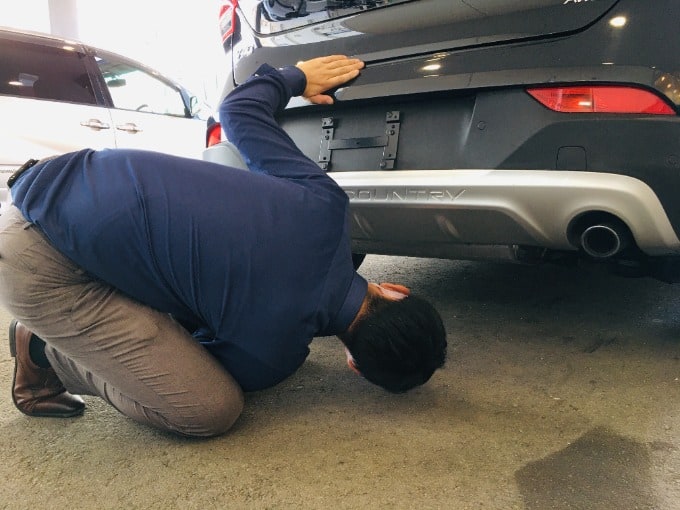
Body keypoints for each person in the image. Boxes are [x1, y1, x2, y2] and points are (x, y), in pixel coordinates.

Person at [0, 55, 447, 438]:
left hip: (60, 177)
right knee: (211, 407)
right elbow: (184, 349)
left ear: (395, 289)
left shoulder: (328, 206)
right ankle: (41, 351)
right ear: (354, 363)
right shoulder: (270, 359)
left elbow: (238, 109)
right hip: (40, 265)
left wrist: (294, 77)